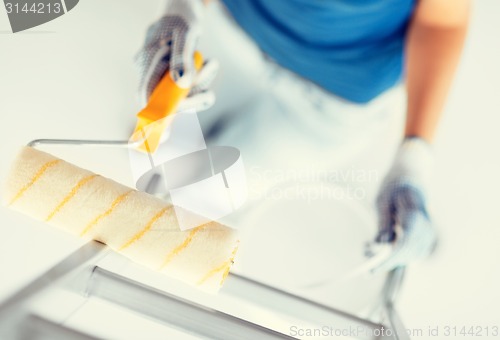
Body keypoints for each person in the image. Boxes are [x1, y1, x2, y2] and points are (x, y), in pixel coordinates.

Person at [136, 0, 470, 280]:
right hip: (232, 29)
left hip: (331, 102)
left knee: (193, 199)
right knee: (150, 166)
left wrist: (413, 161)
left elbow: (442, 22)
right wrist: (182, 9)